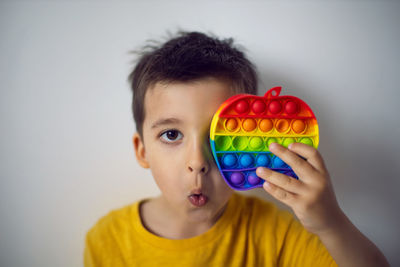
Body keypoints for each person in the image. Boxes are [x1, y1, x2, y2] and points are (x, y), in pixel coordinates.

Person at [84, 31, 389, 266]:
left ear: (253, 143)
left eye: (220, 136)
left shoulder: (274, 234)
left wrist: (330, 223)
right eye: (172, 134)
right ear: (142, 151)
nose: (197, 162)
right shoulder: (109, 239)